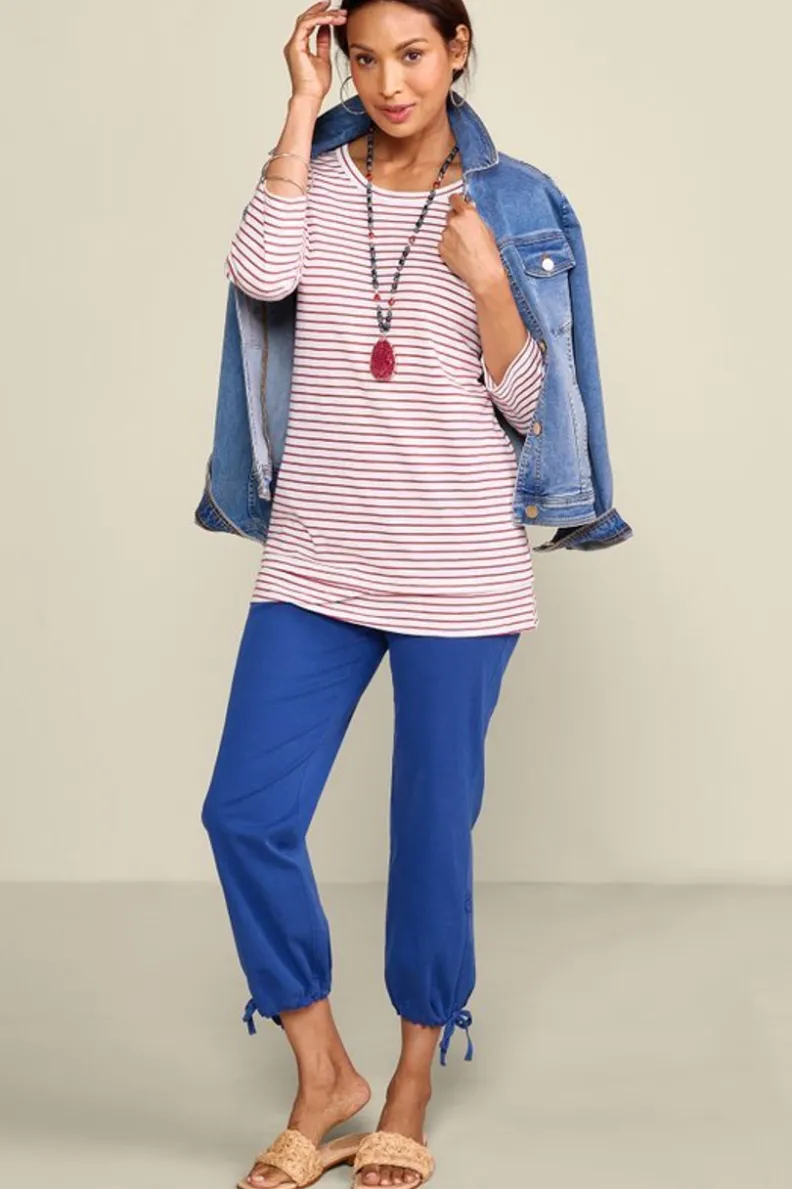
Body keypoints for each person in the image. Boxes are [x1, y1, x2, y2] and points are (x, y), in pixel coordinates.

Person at [201, 2, 547, 1186]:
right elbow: (260, 277)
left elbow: (535, 410)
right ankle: (324, 1075)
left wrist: (489, 282)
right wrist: (301, 113)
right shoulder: (313, 172)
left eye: (413, 55)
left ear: (458, 51)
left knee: (428, 836)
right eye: (364, 58)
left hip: (458, 571)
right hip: (317, 557)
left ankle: (408, 1082)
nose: (390, 82)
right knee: (245, 813)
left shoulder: (515, 202)